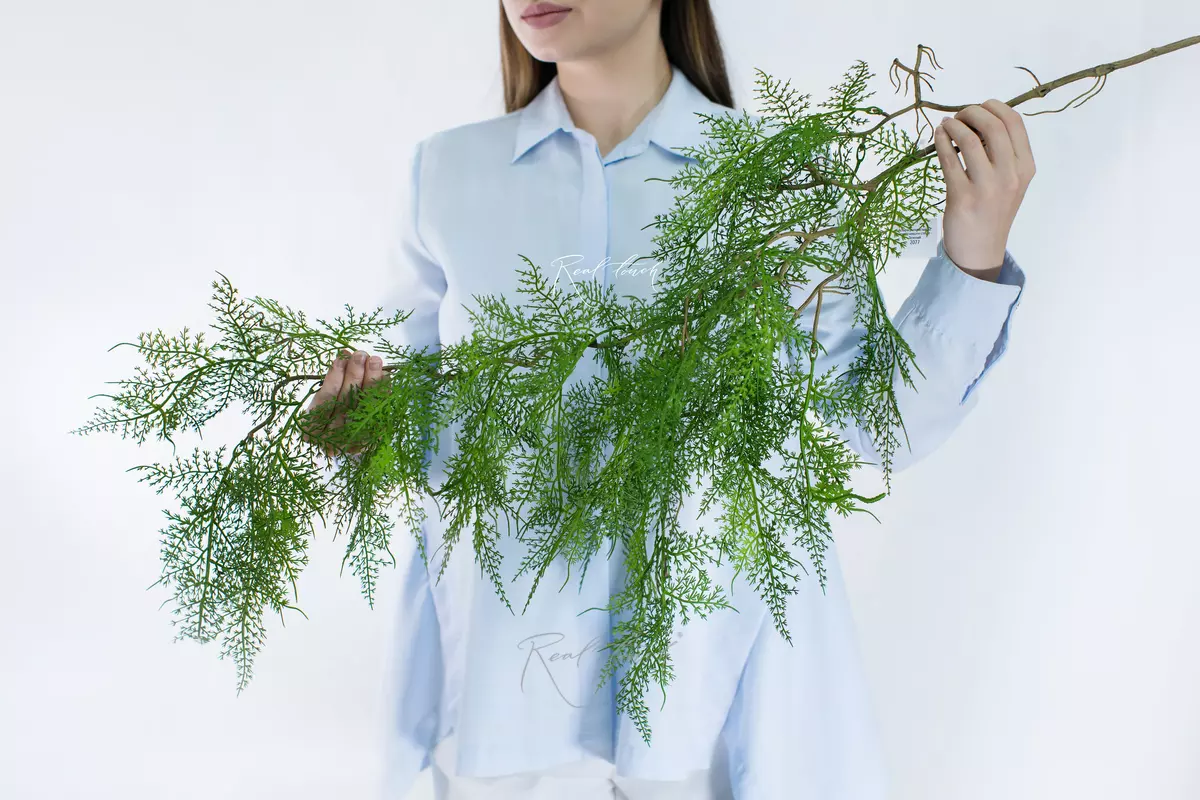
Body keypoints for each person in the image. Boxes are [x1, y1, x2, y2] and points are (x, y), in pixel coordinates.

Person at [306, 1, 1034, 798]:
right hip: (508, 677)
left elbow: (879, 424)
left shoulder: (775, 181)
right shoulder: (446, 174)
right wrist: (362, 424)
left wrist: (973, 255)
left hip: (716, 666)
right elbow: (421, 416)